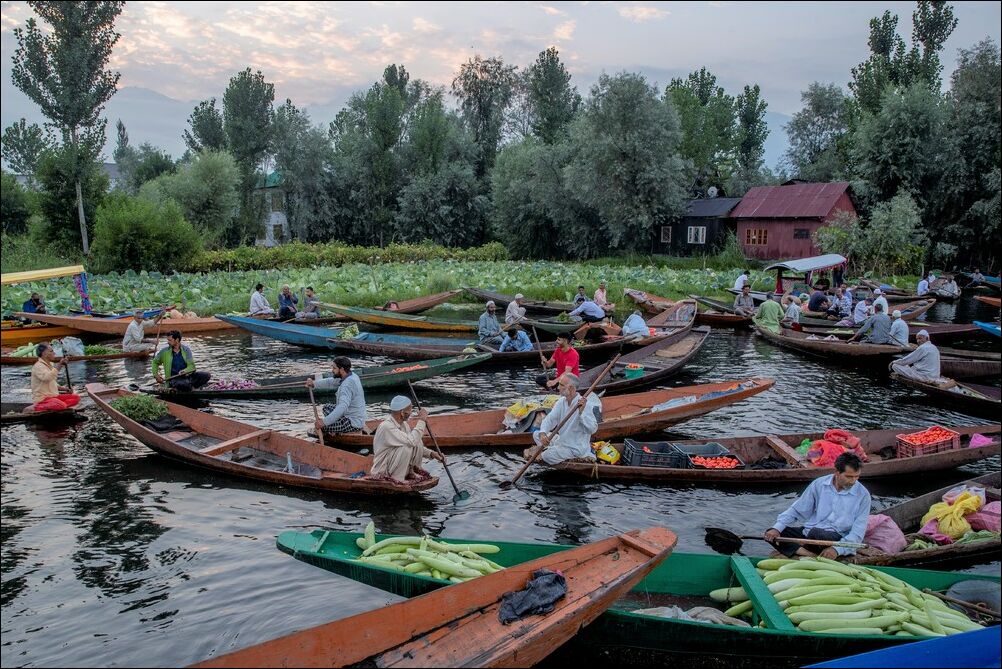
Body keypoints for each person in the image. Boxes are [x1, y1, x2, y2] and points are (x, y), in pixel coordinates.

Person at [764, 453, 870, 559]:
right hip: (811, 532)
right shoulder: (819, 484)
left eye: (857, 477)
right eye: (849, 477)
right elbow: (797, 510)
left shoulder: (863, 495)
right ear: (837, 472)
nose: (853, 481)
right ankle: (810, 554)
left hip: (837, 536)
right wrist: (776, 529)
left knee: (818, 533)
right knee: (773, 533)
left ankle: (803, 549)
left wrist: (837, 549)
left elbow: (858, 531)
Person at [524, 372, 602, 466]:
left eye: (561, 385)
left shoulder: (585, 405)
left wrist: (581, 413)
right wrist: (543, 433)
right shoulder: (561, 401)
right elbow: (550, 419)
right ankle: (554, 448)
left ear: (571, 388)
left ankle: (553, 451)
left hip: (575, 448)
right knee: (536, 434)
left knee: (546, 456)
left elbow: (593, 429)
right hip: (562, 441)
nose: (558, 388)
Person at [370, 395, 444, 481]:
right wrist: (422, 420)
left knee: (417, 441)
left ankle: (410, 471)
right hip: (384, 470)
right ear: (402, 413)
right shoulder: (387, 427)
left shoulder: (404, 425)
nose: (411, 413)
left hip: (395, 464)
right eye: (409, 410)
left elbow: (414, 442)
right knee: (406, 446)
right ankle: (398, 479)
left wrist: (432, 454)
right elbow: (411, 441)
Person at [306, 356, 366, 435]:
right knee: (326, 407)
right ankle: (336, 426)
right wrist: (314, 384)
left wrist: (323, 423)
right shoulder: (351, 375)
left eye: (334, 368)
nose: (332, 370)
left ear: (341, 369)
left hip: (352, 423)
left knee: (322, 428)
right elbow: (331, 382)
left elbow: (342, 408)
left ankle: (352, 430)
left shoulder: (347, 385)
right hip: (351, 415)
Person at [30, 343, 80, 411]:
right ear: (44, 353)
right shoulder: (38, 366)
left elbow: (53, 383)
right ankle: (35, 407)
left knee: (76, 398)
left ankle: (57, 405)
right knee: (61, 405)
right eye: (51, 351)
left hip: (53, 396)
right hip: (43, 399)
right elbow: (48, 378)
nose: (54, 353)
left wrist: (66, 389)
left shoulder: (50, 365)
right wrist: (60, 365)